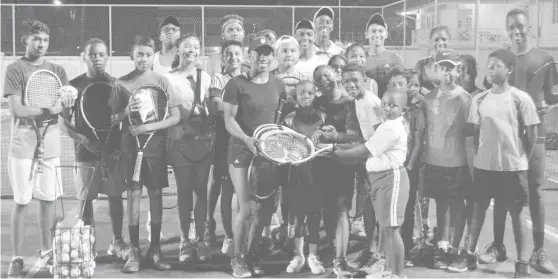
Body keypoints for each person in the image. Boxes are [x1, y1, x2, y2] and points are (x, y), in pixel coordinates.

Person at [480, 9, 557, 274]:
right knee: (503, 194)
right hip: (506, 138)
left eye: (521, 26)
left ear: (530, 27)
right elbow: (487, 87)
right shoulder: (501, 58)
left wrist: (547, 103)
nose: (517, 30)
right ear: (506, 29)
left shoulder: (545, 59)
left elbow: (552, 94)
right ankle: (499, 245)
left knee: (535, 193)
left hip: (534, 136)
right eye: (511, 26)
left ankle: (538, 250)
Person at [4, 20, 75, 278]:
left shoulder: (57, 70)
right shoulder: (15, 69)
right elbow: (18, 110)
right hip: (22, 146)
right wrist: (49, 109)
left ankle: (47, 252)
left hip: (51, 144)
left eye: (45, 39)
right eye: (36, 39)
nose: (41, 44)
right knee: (21, 201)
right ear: (25, 39)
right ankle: (17, 258)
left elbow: (64, 110)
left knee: (48, 201)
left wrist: (66, 105)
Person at [465, 48, 540, 278]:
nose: (491, 69)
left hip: (513, 168)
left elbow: (532, 135)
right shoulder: (479, 100)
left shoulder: (521, 98)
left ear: (509, 70)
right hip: (485, 168)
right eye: (489, 65)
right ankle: (469, 254)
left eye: (497, 65)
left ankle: (522, 262)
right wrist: (480, 159)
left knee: (516, 215)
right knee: (478, 212)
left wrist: (520, 159)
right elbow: (475, 135)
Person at [109, 35, 178, 273]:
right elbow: (112, 118)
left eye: (148, 55)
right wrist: (126, 111)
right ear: (132, 56)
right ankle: (135, 251)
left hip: (155, 149)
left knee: (156, 196)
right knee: (134, 197)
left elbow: (175, 116)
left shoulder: (162, 81)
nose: (144, 59)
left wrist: (148, 128)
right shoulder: (121, 84)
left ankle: (155, 249)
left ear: (153, 56)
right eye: (139, 54)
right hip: (130, 149)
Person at [222, 35, 286, 278]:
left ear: (272, 58)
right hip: (240, 151)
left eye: (267, 53)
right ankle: (237, 259)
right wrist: (248, 141)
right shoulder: (236, 84)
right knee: (247, 207)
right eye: (258, 53)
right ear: (249, 55)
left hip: (267, 155)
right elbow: (228, 120)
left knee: (265, 210)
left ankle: (251, 255)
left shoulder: (279, 84)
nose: (263, 57)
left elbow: (279, 121)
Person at [62, 38, 130, 261]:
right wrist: (84, 140)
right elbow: (63, 122)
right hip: (86, 152)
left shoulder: (117, 85)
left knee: (115, 197)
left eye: (101, 54)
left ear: (107, 56)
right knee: (85, 202)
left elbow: (124, 118)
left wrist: (118, 148)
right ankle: (88, 243)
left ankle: (117, 242)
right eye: (92, 55)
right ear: (84, 57)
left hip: (112, 152)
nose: (97, 59)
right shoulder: (74, 86)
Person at [331, 89, 410, 278]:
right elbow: (362, 146)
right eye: (384, 103)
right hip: (380, 180)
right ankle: (389, 271)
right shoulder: (386, 125)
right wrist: (336, 147)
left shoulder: (390, 128)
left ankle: (397, 275)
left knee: (391, 230)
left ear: (403, 110)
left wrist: (333, 153)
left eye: (393, 105)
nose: (387, 108)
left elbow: (361, 151)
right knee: (387, 228)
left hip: (391, 180)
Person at [421, 49, 473, 272]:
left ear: (458, 70)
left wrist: (472, 167)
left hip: (458, 163)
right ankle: (442, 246)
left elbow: (471, 136)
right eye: (443, 68)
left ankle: (456, 247)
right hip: (434, 162)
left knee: (457, 205)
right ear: (436, 70)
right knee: (441, 204)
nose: (447, 73)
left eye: (451, 68)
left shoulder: (465, 98)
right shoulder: (428, 98)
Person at [165, 34, 213, 263]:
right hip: (179, 141)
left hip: (202, 141)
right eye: (186, 47)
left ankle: (201, 240)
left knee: (201, 191)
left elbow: (210, 109)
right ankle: (185, 241)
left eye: (195, 46)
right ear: (177, 50)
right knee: (184, 191)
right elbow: (165, 110)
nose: (191, 50)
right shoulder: (168, 78)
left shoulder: (206, 77)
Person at [313, 64, 360, 278]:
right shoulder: (317, 102)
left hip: (342, 162)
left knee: (341, 209)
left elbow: (354, 135)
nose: (323, 79)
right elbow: (311, 126)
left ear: (336, 74)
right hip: (322, 163)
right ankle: (333, 246)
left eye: (326, 74)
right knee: (326, 208)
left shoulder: (350, 103)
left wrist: (336, 137)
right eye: (318, 78)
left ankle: (341, 259)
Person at [340, 63, 384, 275]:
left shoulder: (371, 102)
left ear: (365, 79)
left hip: (378, 162)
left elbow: (380, 137)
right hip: (369, 161)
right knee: (367, 207)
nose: (350, 85)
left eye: (355, 80)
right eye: (346, 81)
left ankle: (378, 256)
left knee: (377, 209)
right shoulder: (357, 101)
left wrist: (350, 152)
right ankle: (371, 248)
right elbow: (362, 136)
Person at [282, 80, 327, 275]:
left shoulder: (324, 117)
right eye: (302, 93)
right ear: (296, 96)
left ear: (315, 94)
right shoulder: (289, 119)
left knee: (315, 216)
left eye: (309, 92)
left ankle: (313, 255)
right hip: (297, 175)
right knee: (298, 216)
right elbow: (283, 145)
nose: (306, 96)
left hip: (317, 174)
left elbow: (328, 141)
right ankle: (298, 255)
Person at [206, 40, 244, 255]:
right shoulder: (218, 79)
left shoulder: (247, 78)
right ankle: (229, 236)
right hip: (223, 139)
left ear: (243, 55)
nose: (233, 58)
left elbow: (226, 107)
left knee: (244, 191)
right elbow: (216, 106)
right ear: (223, 58)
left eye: (237, 53)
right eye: (228, 54)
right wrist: (240, 108)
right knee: (227, 189)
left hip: (242, 138)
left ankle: (242, 234)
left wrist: (231, 109)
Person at [363, 13, 405, 99]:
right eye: (373, 31)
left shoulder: (395, 59)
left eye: (380, 31)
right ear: (366, 34)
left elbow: (402, 87)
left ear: (386, 34)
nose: (377, 34)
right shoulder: (361, 59)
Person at [415, 26, 451, 95]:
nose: (440, 43)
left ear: (449, 41)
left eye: (444, 39)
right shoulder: (422, 64)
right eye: (436, 40)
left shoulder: (457, 65)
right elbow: (415, 87)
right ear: (430, 42)